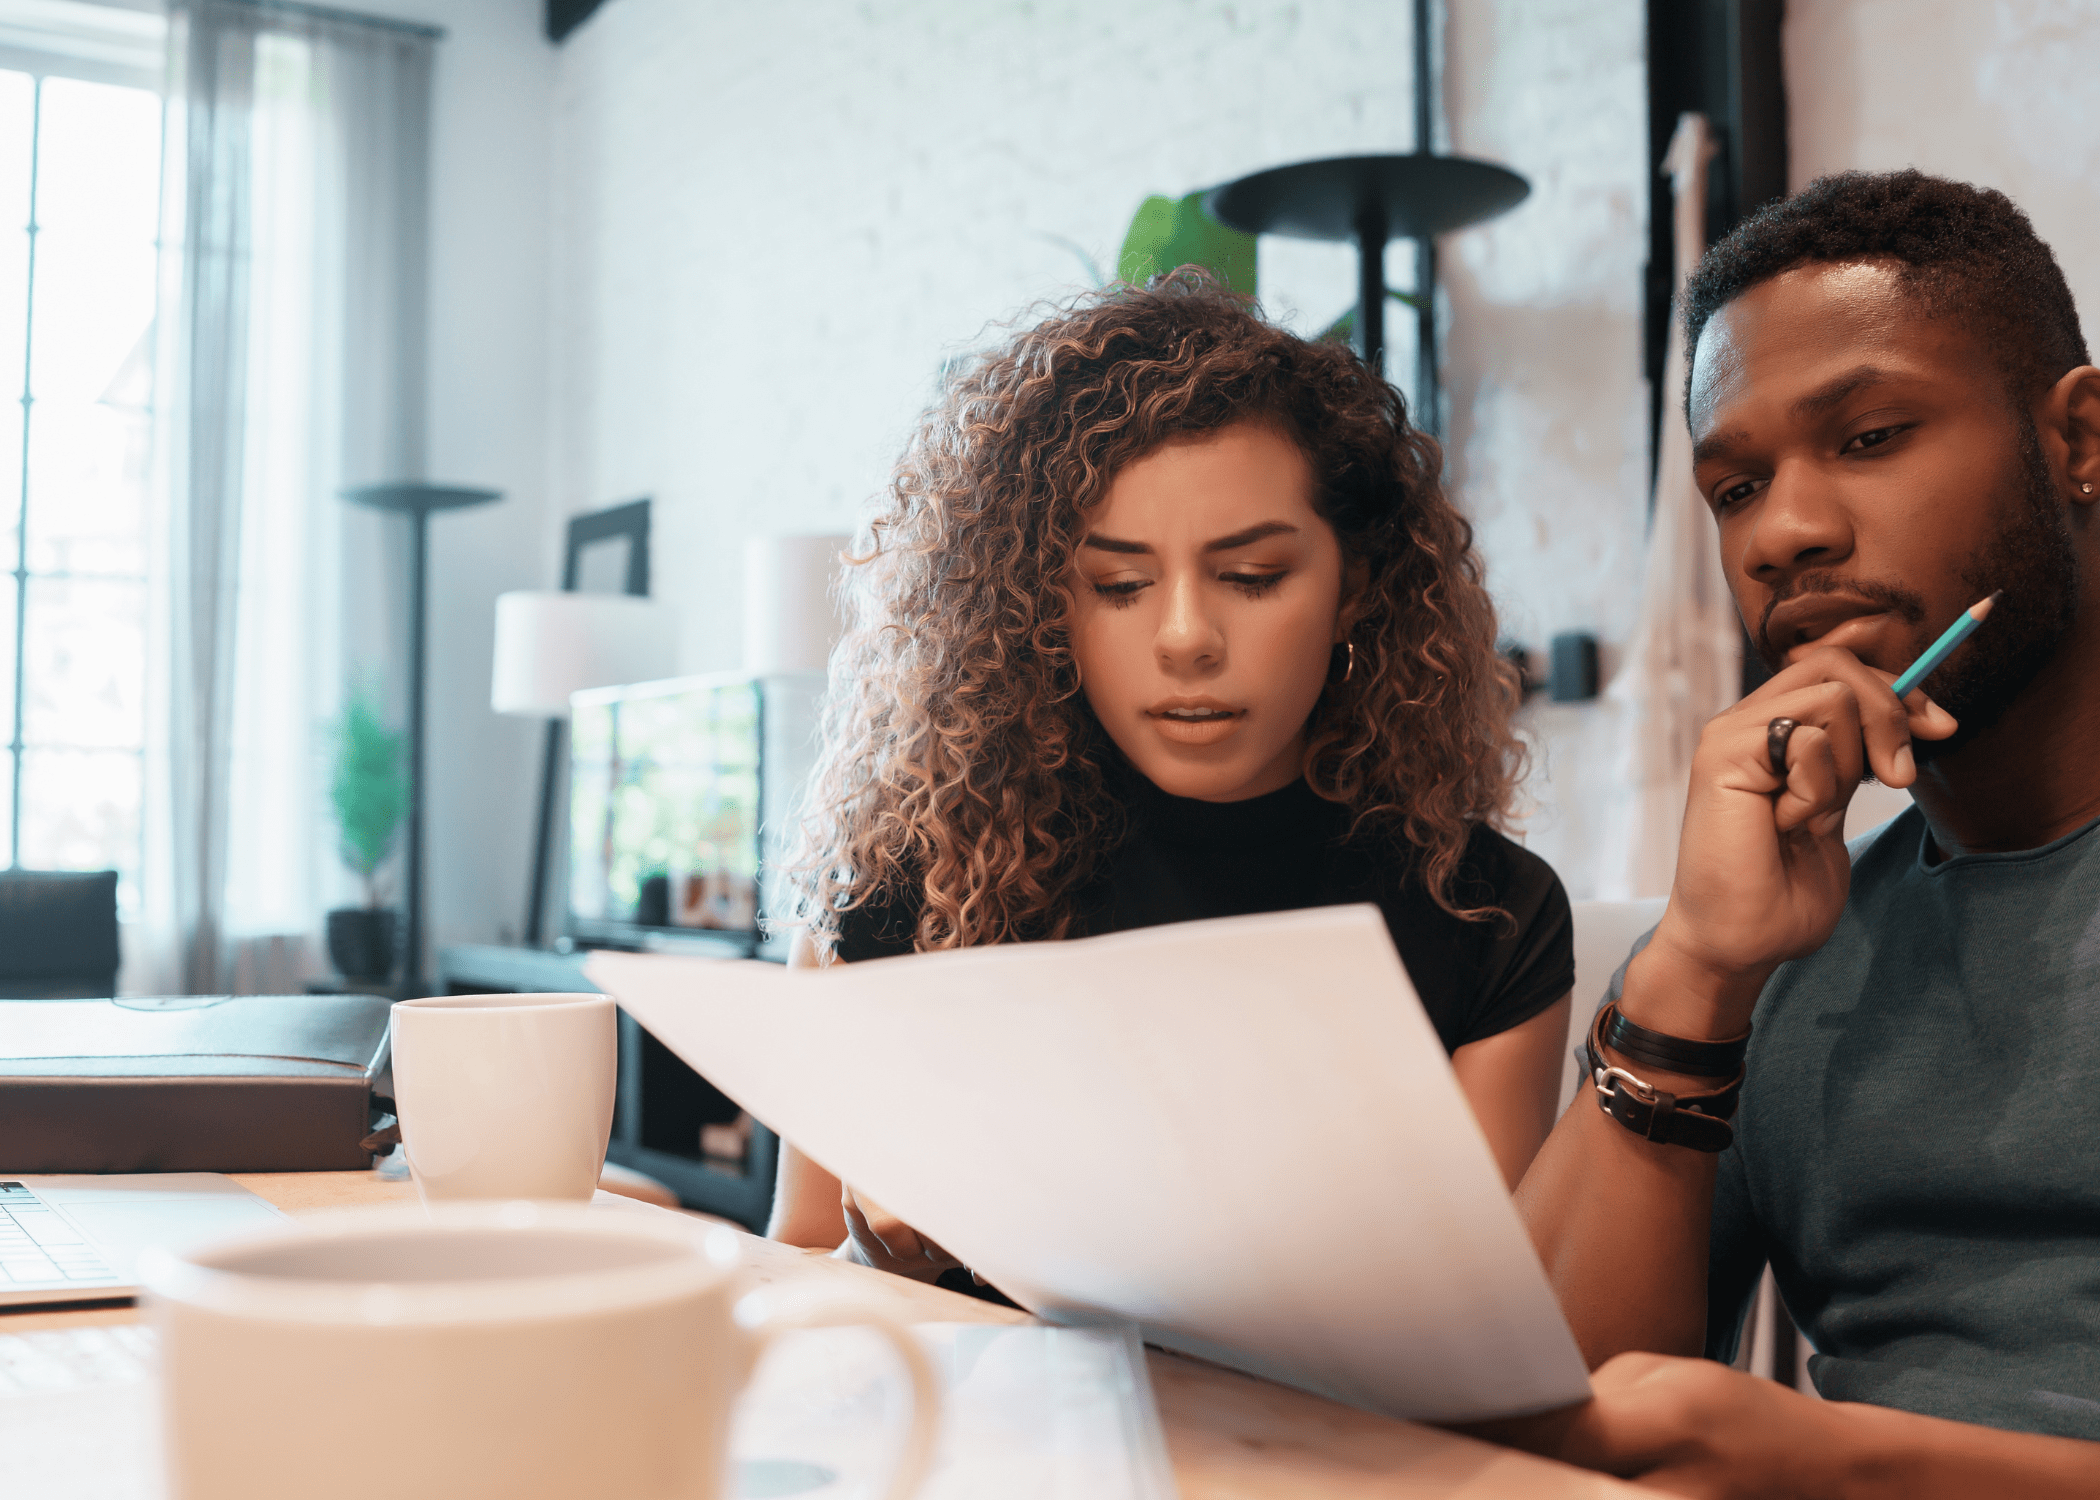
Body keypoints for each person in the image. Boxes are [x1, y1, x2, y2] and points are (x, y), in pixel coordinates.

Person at [766, 273, 1576, 1289]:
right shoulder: (906, 887)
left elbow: (1488, 1322)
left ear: (1355, 587)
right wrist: (881, 1250)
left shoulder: (1484, 912)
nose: (1187, 638)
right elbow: (799, 1263)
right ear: (1041, 607)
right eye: (1119, 586)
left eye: (1251, 577)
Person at [1509, 171, 2100, 1495]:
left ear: (2082, 439)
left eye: (1873, 436)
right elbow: (1531, 1418)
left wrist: (1842, 1465)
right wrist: (1700, 970)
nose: (1785, 531)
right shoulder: (1787, 940)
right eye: (1734, 488)